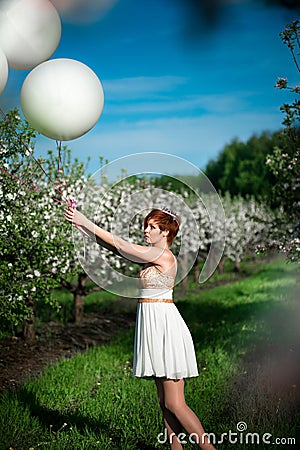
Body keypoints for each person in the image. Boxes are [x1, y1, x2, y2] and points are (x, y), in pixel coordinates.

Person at [64, 199, 216, 450]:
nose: (145, 230)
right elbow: (117, 248)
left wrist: (86, 221)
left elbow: (122, 244)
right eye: (146, 226)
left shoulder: (162, 255)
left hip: (166, 328)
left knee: (176, 403)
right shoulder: (149, 256)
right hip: (154, 327)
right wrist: (83, 226)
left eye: (152, 227)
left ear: (165, 232)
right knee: (164, 402)